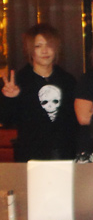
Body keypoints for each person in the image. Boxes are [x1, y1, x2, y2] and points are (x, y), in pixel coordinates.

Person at [0, 24, 77, 161]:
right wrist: (10, 98)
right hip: (30, 155)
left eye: (49, 45)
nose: (44, 51)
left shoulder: (68, 80)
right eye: (38, 46)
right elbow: (6, 120)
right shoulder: (18, 81)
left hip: (65, 154)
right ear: (30, 50)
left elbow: (74, 121)